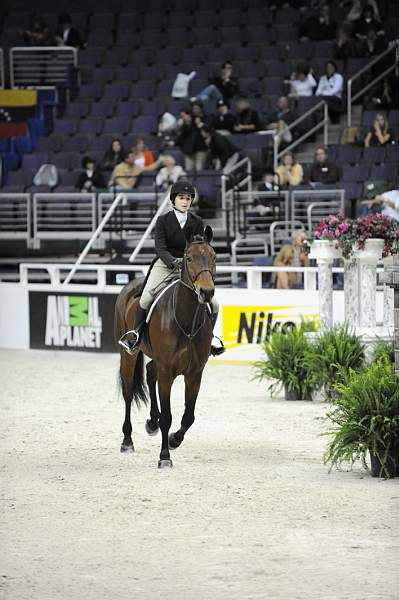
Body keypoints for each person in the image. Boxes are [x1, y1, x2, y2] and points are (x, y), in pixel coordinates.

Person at [118, 180, 225, 356]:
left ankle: (210, 338)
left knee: (214, 303)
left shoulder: (197, 221)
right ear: (173, 200)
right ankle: (136, 335)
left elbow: (198, 246)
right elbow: (160, 248)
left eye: (188, 198)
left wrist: (190, 263)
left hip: (190, 266)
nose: (185, 201)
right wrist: (173, 262)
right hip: (166, 264)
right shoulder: (163, 221)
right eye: (181, 198)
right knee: (145, 298)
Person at [175, 107, 208, 171]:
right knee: (188, 170)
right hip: (189, 151)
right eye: (181, 116)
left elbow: (205, 133)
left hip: (199, 150)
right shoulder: (184, 126)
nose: (183, 118)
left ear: (188, 115)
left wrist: (199, 125)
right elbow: (180, 137)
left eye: (183, 116)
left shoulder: (197, 122)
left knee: (199, 170)